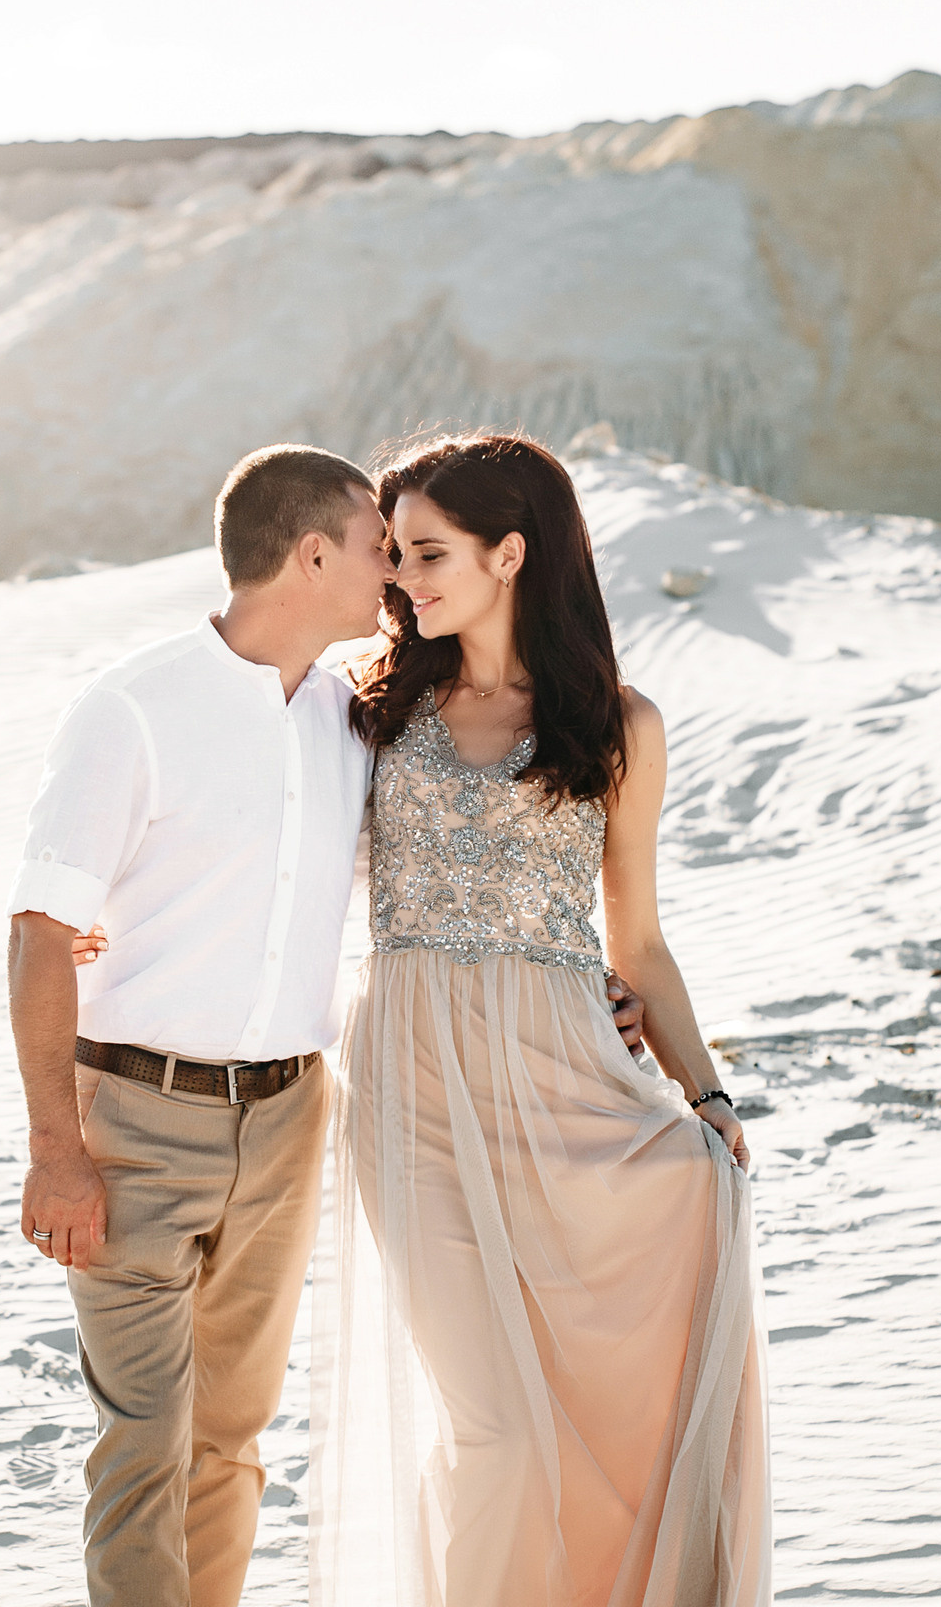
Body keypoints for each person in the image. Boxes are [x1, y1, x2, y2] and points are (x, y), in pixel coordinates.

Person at [5, 443, 650, 1607]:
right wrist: (56, 1146)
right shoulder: (133, 707)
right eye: (375, 549)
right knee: (146, 1444)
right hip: (135, 1124)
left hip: (290, 1117)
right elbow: (38, 927)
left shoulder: (354, 717)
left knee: (231, 1445)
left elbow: (468, 854)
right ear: (311, 556)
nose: (394, 575)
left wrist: (574, 981)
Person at [308, 431, 772, 1607]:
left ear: (508, 553)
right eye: (394, 555)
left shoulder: (619, 724)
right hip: (409, 1088)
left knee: (595, 1423)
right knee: (495, 1432)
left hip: (567, 1088)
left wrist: (706, 1095)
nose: (398, 580)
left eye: (425, 553)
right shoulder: (363, 710)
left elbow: (641, 943)